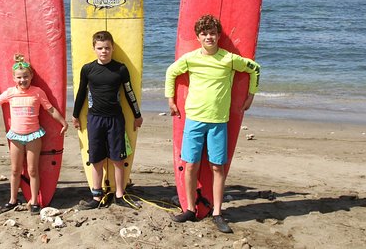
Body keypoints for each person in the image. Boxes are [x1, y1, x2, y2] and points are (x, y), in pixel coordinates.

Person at [165, 14, 261, 234]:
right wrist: (170, 100)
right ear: (198, 37)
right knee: (191, 165)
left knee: (217, 167)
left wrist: (250, 95)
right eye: (204, 33)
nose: (209, 37)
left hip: (218, 122)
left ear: (218, 35)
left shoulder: (229, 59)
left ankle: (217, 212)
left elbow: (255, 69)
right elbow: (171, 72)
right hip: (194, 120)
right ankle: (189, 209)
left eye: (212, 33)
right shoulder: (190, 59)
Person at [72, 31, 143, 209]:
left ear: (112, 48)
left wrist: (137, 115)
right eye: (100, 48)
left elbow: (129, 92)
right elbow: (81, 93)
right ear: (94, 48)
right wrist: (75, 115)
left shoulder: (120, 69)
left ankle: (119, 194)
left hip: (115, 120)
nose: (104, 51)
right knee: (96, 159)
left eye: (107, 48)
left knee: (117, 159)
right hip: (95, 119)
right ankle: (97, 196)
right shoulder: (88, 69)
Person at [0, 54, 68, 215]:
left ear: (31, 76)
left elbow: (50, 109)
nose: (22, 80)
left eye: (26, 76)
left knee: (32, 170)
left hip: (33, 136)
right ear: (13, 78)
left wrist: (63, 122)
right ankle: (12, 200)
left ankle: (33, 201)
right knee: (15, 170)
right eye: (19, 77)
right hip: (16, 136)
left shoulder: (37, 92)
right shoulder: (10, 92)